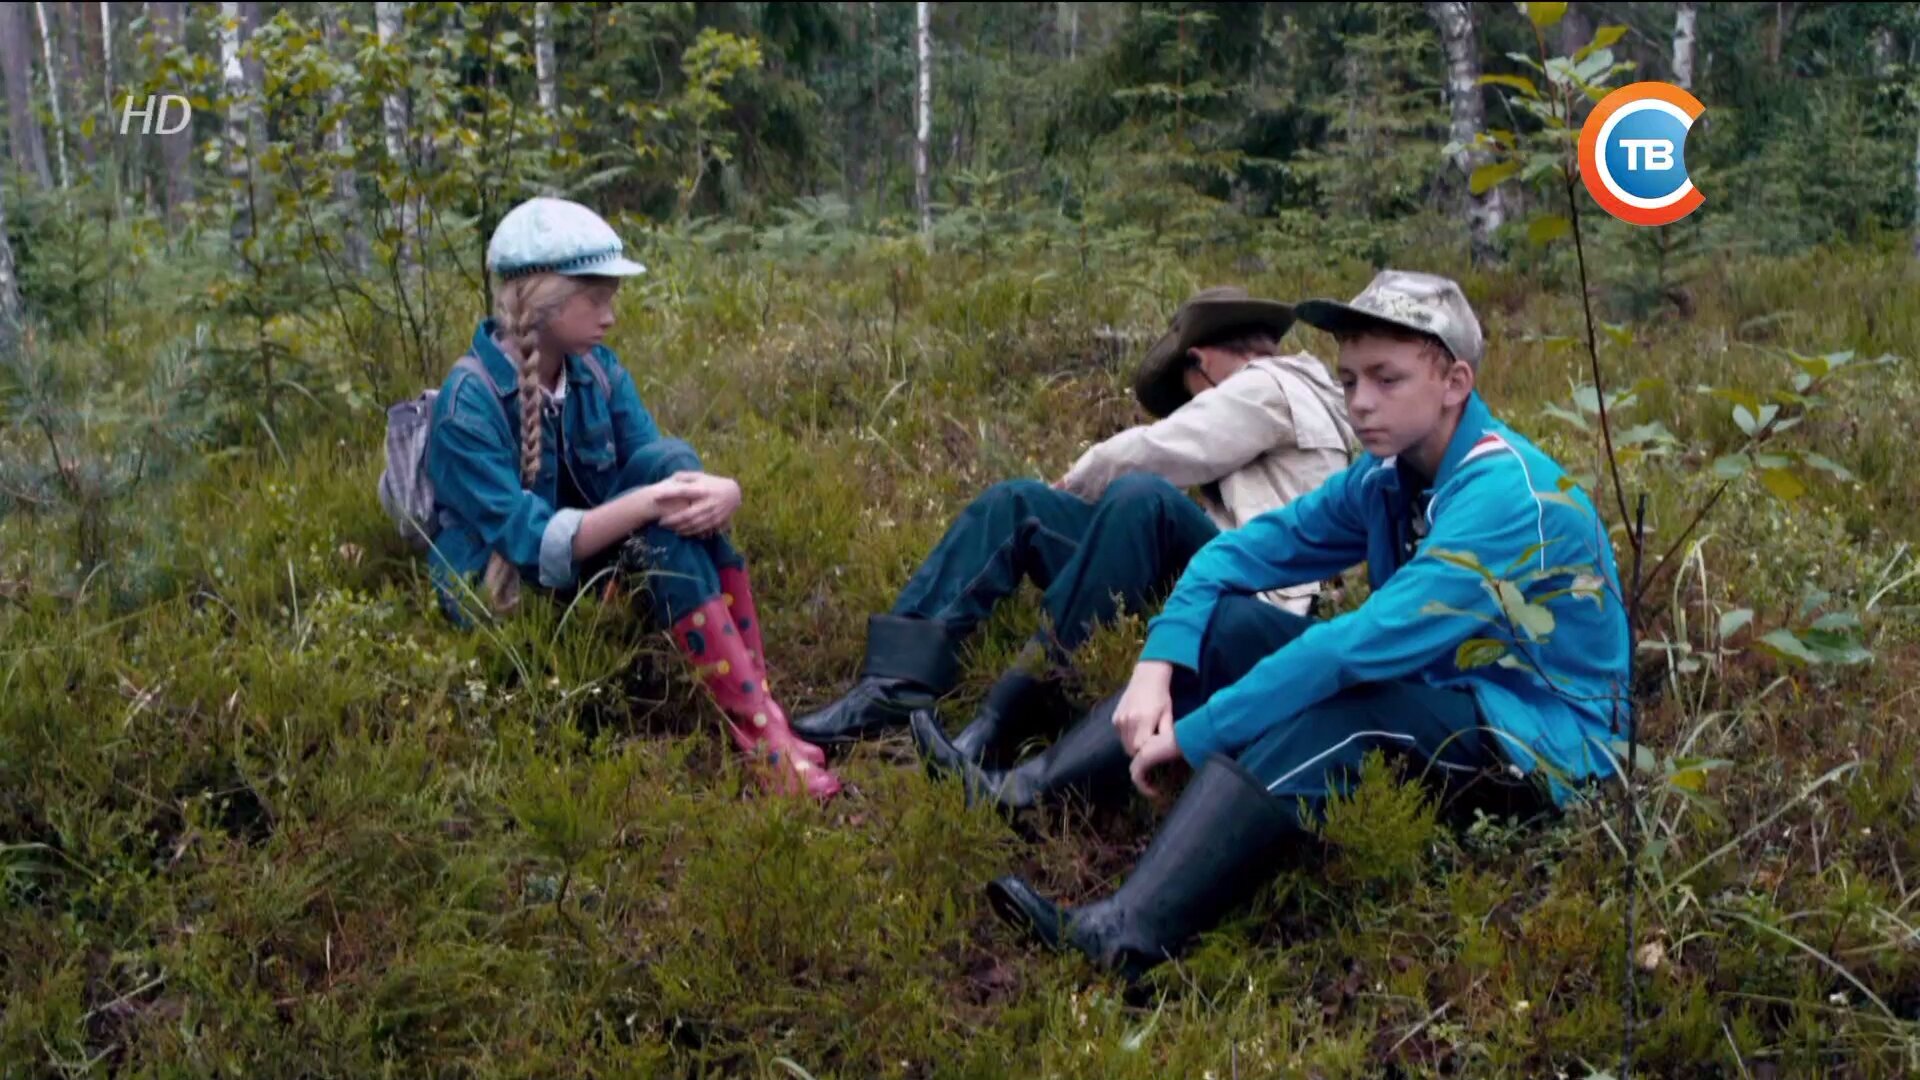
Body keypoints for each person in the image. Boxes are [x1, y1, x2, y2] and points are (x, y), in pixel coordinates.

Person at [982, 270, 1631, 977]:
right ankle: (1031, 794)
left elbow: (1352, 651)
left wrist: (1198, 734)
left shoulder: (1504, 495)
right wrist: (1155, 663)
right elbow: (1232, 555)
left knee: (1345, 707)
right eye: (1349, 379)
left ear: (1454, 383)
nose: (1360, 402)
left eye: (1387, 378)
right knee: (1233, 627)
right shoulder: (1387, 477)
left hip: (1542, 746)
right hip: (1444, 694)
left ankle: (1125, 933)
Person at [791, 287, 1356, 776]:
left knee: (1142, 498)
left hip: (1254, 597)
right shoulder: (1280, 394)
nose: (1193, 402)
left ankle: (1013, 712)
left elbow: (1162, 449)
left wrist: (1077, 482)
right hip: (1214, 577)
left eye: (1190, 391)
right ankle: (895, 684)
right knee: (1018, 504)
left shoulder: (1273, 384)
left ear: (1201, 359)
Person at [425, 196, 841, 800]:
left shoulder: (597, 371)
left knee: (671, 463)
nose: (610, 317)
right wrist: (650, 504)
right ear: (543, 301)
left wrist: (726, 491)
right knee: (660, 499)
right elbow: (529, 542)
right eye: (596, 299)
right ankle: (762, 734)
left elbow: (661, 472)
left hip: (586, 570)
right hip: (509, 594)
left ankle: (764, 721)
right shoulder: (468, 400)